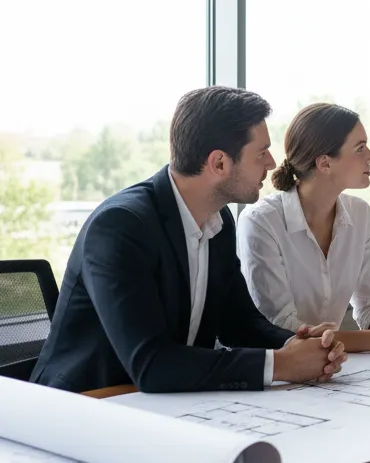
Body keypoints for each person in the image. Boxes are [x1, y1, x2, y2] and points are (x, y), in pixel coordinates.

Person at [31, 87, 346, 394]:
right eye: (261, 153)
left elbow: (239, 322)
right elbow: (151, 364)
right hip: (85, 404)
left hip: (166, 402)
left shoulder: (218, 220)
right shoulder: (120, 227)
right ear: (219, 163)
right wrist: (280, 364)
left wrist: (295, 345)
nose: (272, 163)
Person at [237, 103, 370, 354]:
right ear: (325, 163)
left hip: (329, 366)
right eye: (360, 148)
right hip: (274, 369)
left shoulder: (360, 214)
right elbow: (282, 328)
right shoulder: (261, 221)